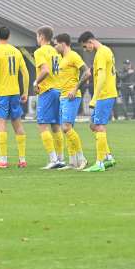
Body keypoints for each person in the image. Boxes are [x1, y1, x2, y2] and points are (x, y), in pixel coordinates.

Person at [77, 31, 118, 172]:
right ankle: (108, 157)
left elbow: (101, 77)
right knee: (93, 125)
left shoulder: (101, 53)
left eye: (85, 46)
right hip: (107, 93)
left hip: (105, 94)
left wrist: (95, 97)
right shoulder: (107, 50)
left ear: (90, 42)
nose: (85, 49)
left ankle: (100, 163)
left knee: (99, 126)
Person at [0, 27, 29, 168]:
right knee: (17, 124)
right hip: (15, 92)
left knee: (1, 124)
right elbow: (25, 73)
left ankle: (3, 160)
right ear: (9, 35)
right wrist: (25, 91)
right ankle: (22, 159)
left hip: (1, 93)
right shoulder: (16, 51)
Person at [54, 33, 90, 169]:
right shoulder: (61, 58)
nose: (55, 46)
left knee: (66, 127)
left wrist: (75, 89)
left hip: (71, 97)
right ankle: (72, 162)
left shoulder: (73, 56)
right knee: (67, 129)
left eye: (56, 44)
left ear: (63, 44)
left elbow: (87, 72)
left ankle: (82, 159)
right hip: (63, 96)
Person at [34, 26, 65, 169]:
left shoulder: (40, 51)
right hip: (58, 90)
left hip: (47, 91)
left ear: (41, 36)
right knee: (56, 125)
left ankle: (53, 160)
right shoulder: (56, 52)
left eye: (37, 36)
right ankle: (60, 159)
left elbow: (45, 70)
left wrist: (36, 82)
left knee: (42, 124)